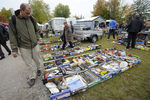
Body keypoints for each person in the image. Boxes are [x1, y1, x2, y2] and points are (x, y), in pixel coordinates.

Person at [9, 3, 42, 87]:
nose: (28, 15)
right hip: (23, 46)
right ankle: (32, 77)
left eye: (29, 13)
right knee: (29, 63)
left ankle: (39, 69)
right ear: (21, 10)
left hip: (34, 44)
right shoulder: (13, 19)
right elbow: (12, 35)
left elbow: (37, 29)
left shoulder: (31, 18)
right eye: (27, 13)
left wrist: (37, 38)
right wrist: (14, 49)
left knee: (37, 60)